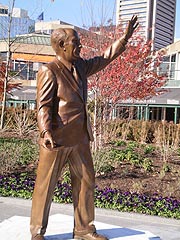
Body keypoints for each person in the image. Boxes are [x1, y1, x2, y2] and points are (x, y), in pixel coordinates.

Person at [30, 15, 138, 240]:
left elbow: (105, 57)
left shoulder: (80, 66)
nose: (80, 46)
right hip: (56, 139)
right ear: (61, 46)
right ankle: (37, 232)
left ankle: (84, 230)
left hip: (79, 137)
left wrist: (125, 38)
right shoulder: (49, 70)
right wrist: (45, 132)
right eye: (75, 42)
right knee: (45, 186)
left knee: (86, 181)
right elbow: (42, 106)